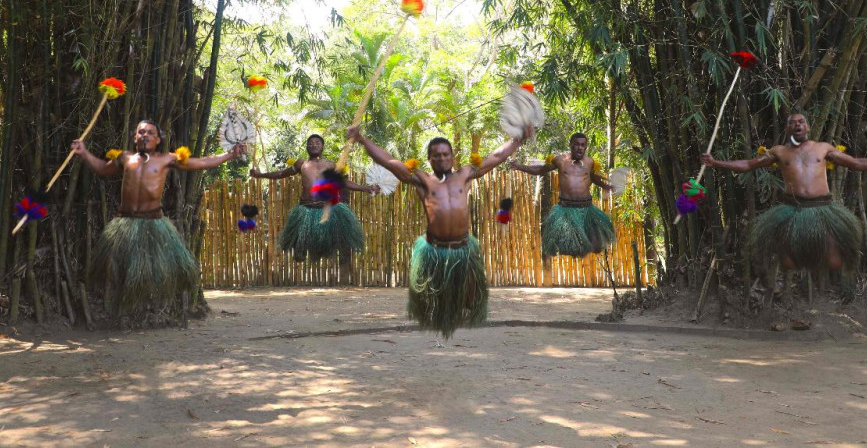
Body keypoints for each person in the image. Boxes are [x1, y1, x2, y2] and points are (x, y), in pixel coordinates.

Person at [347, 124, 532, 338]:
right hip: (435, 250)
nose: (442, 159)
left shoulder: (465, 174)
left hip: (462, 249)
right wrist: (362, 139)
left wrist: (518, 140)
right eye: (437, 156)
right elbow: (389, 161)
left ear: (453, 156)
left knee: (470, 301)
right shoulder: (422, 179)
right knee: (434, 303)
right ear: (429, 158)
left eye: (446, 154)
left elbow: (496, 156)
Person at [71, 120, 246, 319]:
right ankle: (123, 309)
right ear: (134, 137)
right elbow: (102, 168)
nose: (145, 135)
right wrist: (84, 152)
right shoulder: (125, 157)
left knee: (152, 273)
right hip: (124, 222)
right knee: (117, 270)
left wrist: (230, 155)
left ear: (158, 139)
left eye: (150, 133)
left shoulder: (167, 159)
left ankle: (149, 311)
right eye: (141, 132)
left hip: (154, 222)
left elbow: (202, 162)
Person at [702, 112, 867, 274]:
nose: (798, 124)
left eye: (801, 121)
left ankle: (827, 290)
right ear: (787, 128)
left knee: (834, 262)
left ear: (808, 127)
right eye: (793, 122)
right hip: (792, 209)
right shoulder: (778, 152)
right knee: (788, 263)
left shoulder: (823, 148)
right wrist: (715, 162)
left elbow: (856, 163)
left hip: (823, 209)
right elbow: (748, 164)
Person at [250, 134, 379, 282]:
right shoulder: (301, 164)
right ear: (307, 147)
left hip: (329, 210)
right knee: (299, 256)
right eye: (310, 143)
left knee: (343, 242)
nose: (314, 144)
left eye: (317, 142)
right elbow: (281, 173)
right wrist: (260, 175)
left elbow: (343, 183)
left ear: (322, 146)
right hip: (306, 210)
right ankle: (302, 248)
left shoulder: (331, 165)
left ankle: (345, 276)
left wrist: (366, 188)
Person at [510, 132, 615, 286]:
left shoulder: (590, 162)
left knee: (597, 245)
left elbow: (594, 178)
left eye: (583, 145)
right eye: (577, 144)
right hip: (565, 210)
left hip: (587, 210)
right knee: (563, 246)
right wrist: (519, 166)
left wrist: (607, 185)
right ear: (571, 145)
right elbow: (540, 170)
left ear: (586, 146)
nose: (580, 148)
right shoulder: (560, 160)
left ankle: (584, 244)